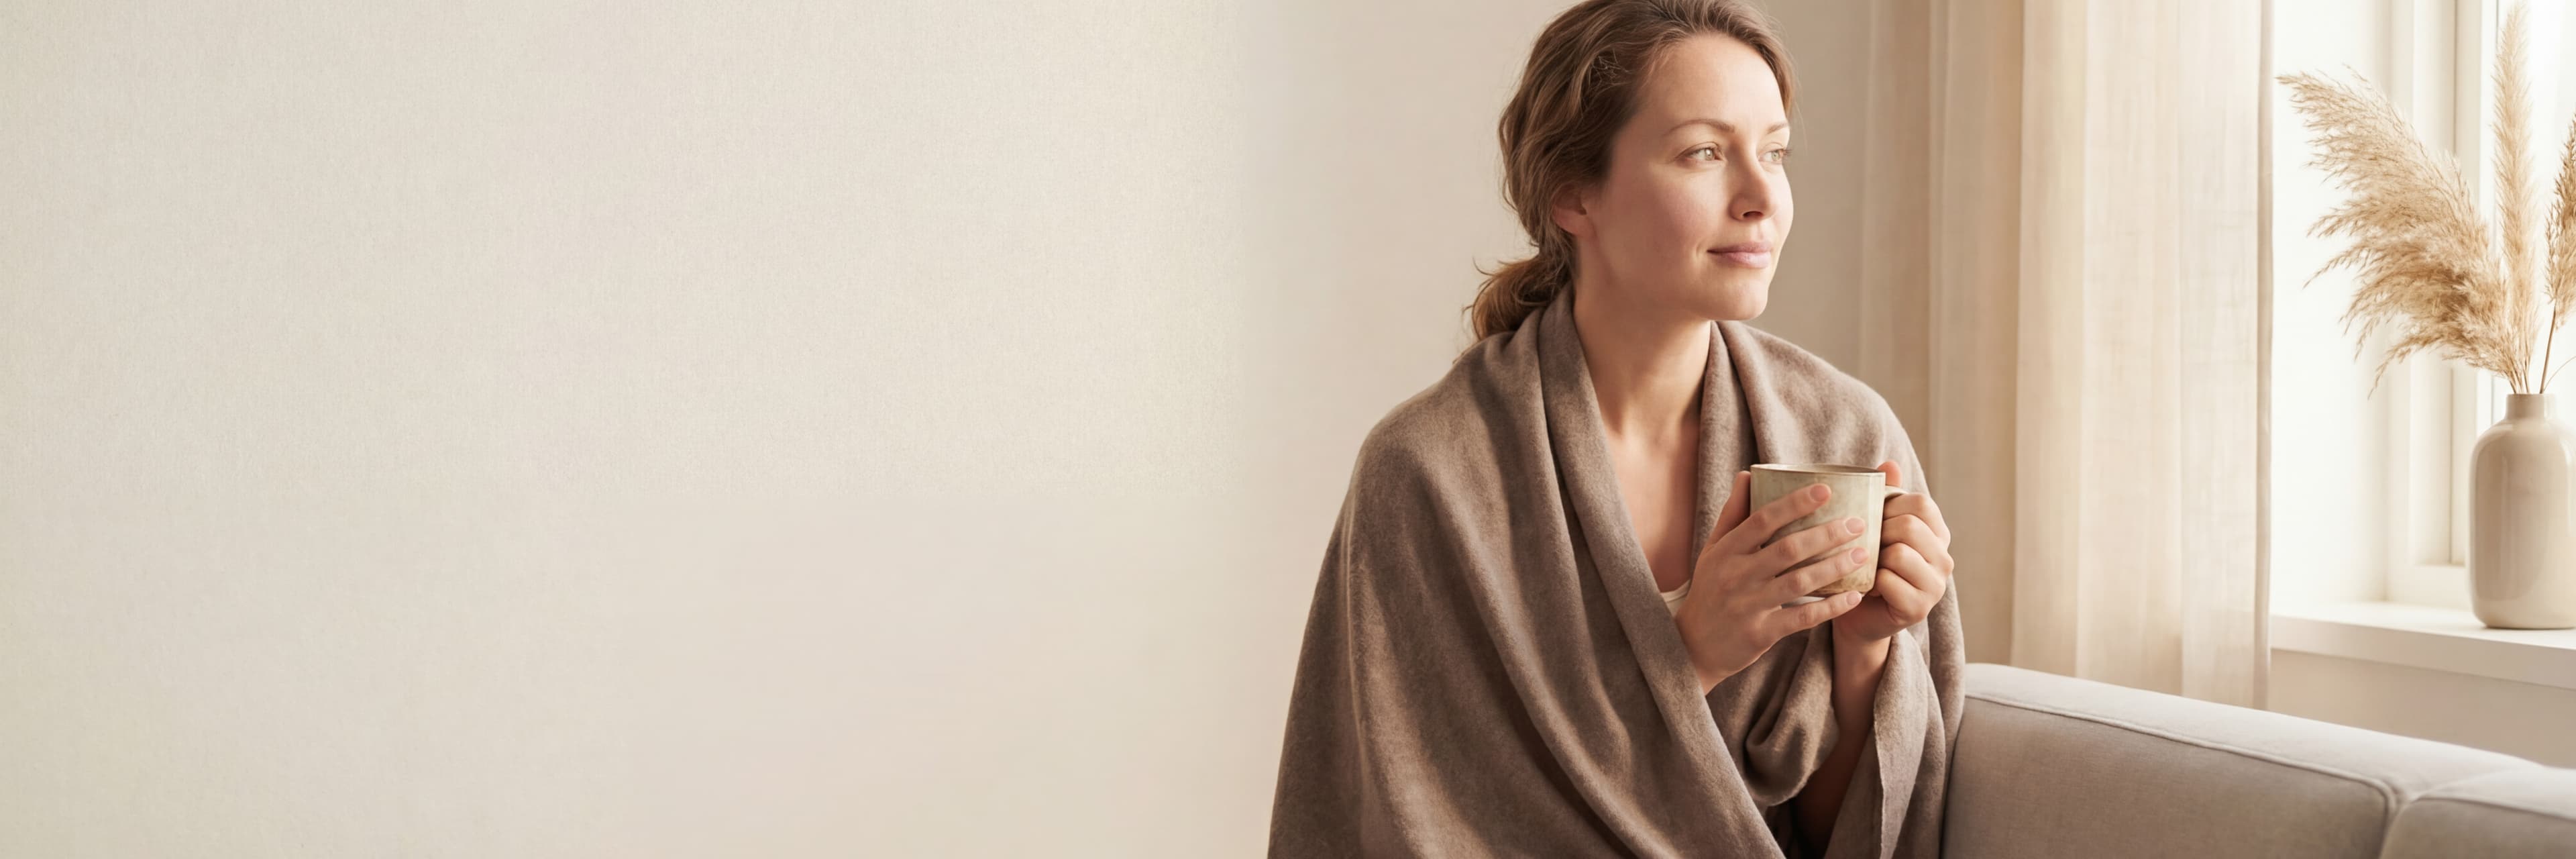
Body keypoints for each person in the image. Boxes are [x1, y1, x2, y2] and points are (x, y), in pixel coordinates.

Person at [1266, 2, 1964, 856]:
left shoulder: (1847, 432)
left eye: (1774, 152)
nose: (1760, 198)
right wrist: (1691, 652)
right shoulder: (1431, 473)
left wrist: (1863, 652)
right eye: (1705, 152)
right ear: (1572, 195)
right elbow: (1433, 819)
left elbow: (1831, 838)